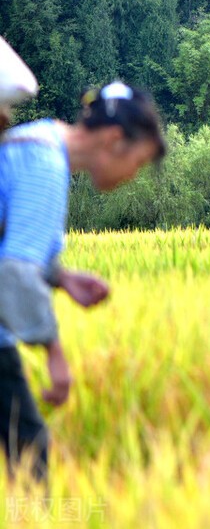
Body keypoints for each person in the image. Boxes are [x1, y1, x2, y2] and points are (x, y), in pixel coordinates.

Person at [0, 82, 167, 481]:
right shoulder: (47, 165)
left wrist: (61, 277)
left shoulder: (38, 139)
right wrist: (54, 354)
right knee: (30, 456)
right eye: (137, 163)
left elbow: (11, 242)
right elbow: (14, 272)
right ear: (114, 140)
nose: (132, 176)